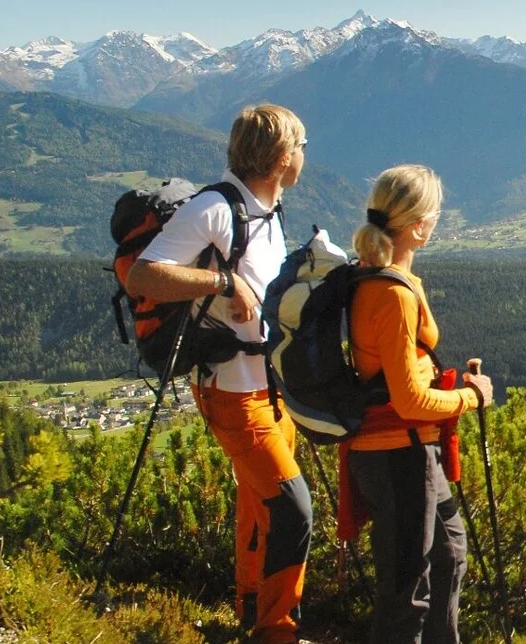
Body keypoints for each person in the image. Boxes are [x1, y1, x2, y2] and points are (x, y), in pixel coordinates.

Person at [126, 104, 312, 644]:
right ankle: (276, 631)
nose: (303, 157)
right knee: (294, 508)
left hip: (266, 385)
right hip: (231, 389)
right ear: (281, 158)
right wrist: (224, 285)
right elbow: (145, 276)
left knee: (261, 503)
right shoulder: (216, 208)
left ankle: (251, 607)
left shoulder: (265, 210)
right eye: (300, 147)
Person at [345, 164, 492, 643]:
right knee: (407, 586)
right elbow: (408, 400)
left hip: (406, 450)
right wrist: (470, 397)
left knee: (449, 553)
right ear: (417, 224)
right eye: (434, 215)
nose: (436, 223)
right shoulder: (391, 293)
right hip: (400, 453)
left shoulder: (378, 278)